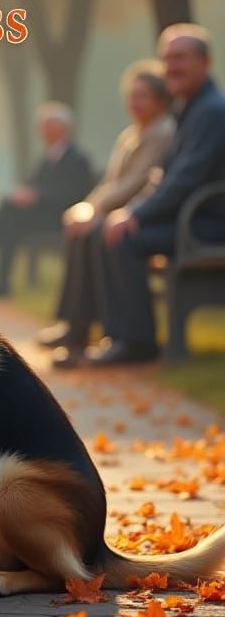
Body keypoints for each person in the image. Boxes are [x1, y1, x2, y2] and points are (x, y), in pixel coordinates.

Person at [60, 25, 225, 367]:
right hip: (189, 217)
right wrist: (132, 211)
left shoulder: (210, 111)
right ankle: (113, 334)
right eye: (167, 59)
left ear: (205, 61)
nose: (172, 67)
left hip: (208, 223)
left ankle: (135, 341)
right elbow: (163, 178)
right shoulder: (189, 107)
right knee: (108, 230)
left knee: (121, 237)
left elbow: (185, 179)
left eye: (180, 58)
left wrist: (134, 215)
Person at [38, 62, 175, 360]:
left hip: (143, 215)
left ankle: (124, 337)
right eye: (131, 95)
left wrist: (95, 212)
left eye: (142, 96)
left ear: (160, 99)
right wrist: (85, 208)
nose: (134, 103)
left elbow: (137, 182)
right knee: (80, 229)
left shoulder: (162, 132)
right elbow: (111, 182)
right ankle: (76, 327)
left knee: (97, 231)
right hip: (120, 211)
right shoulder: (131, 135)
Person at [0, 102, 93, 297]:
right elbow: (32, 183)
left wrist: (37, 197)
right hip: (41, 215)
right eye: (42, 126)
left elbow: (73, 194)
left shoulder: (78, 159)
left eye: (48, 126)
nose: (42, 131)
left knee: (9, 214)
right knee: (9, 216)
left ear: (63, 129)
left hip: (61, 218)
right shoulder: (48, 157)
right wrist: (23, 193)